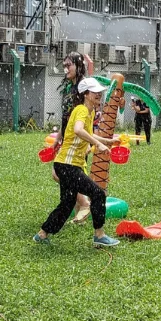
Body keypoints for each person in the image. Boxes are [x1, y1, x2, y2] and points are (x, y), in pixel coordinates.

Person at [34, 78, 119, 247]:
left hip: (67, 165)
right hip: (67, 165)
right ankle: (99, 235)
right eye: (95, 92)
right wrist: (98, 144)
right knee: (98, 194)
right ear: (85, 94)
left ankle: (42, 234)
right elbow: (78, 130)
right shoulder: (81, 109)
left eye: (100, 92)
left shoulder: (90, 112)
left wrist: (107, 141)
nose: (99, 95)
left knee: (67, 203)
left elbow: (88, 133)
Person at [54, 52, 91, 223]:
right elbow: (66, 117)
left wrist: (89, 141)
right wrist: (58, 137)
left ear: (78, 66)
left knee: (61, 174)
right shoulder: (69, 87)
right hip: (68, 137)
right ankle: (77, 212)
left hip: (77, 140)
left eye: (69, 65)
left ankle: (84, 203)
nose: (65, 69)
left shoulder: (83, 89)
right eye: (64, 65)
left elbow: (86, 116)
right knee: (70, 176)